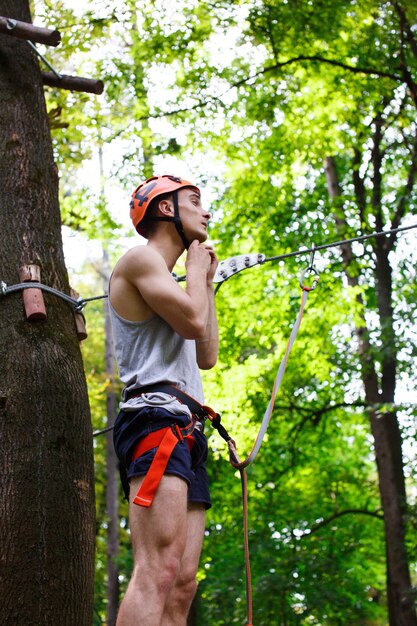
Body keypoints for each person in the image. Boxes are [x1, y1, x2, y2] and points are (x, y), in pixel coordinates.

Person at [108, 174, 219, 626]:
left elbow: (206, 355)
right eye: (195, 201)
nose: (206, 211)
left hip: (188, 430)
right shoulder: (139, 261)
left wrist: (205, 282)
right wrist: (194, 276)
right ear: (167, 209)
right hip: (154, 420)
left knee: (183, 582)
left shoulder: (176, 284)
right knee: (158, 568)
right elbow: (193, 323)